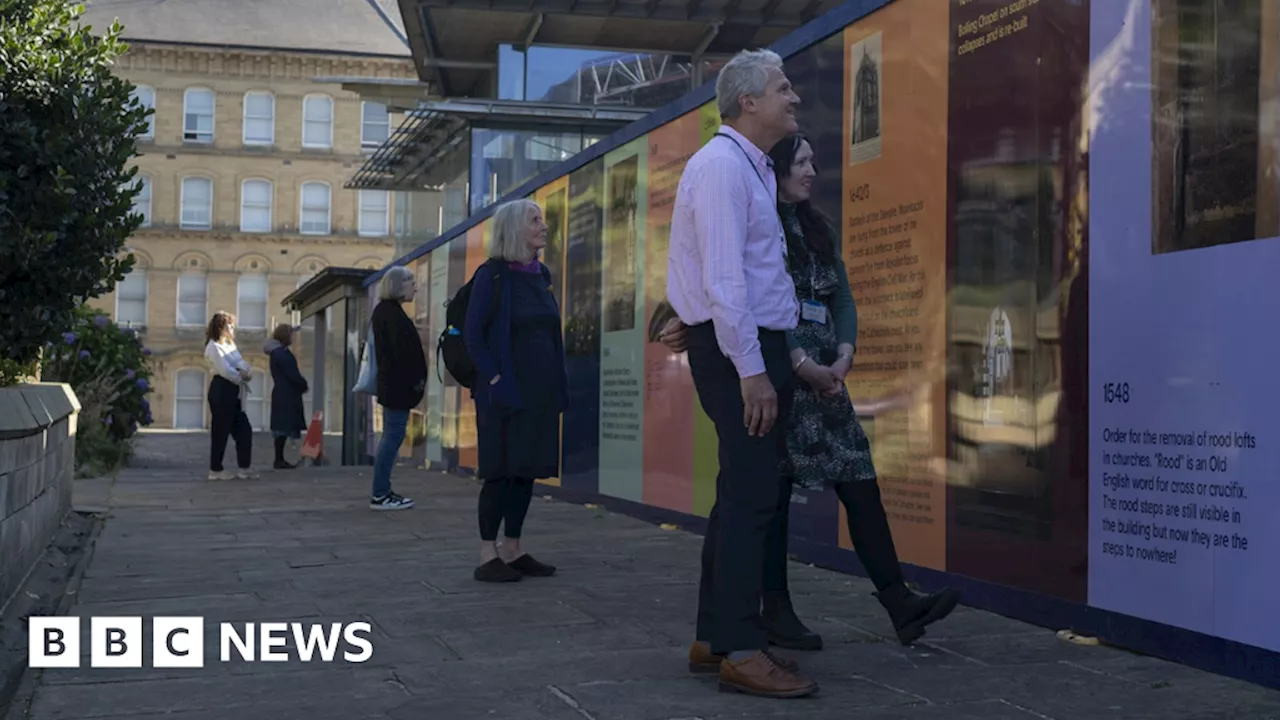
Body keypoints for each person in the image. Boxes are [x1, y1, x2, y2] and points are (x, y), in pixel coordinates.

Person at [660, 132, 960, 651]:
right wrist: (799, 363)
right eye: (802, 162)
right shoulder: (751, 214)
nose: (812, 171)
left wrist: (843, 356)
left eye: (813, 162)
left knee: (858, 479)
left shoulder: (817, 227)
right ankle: (772, 612)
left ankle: (899, 602)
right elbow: (745, 295)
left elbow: (840, 294)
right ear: (775, 169)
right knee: (766, 495)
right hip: (782, 371)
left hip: (826, 377)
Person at [665, 48, 817, 699]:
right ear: (748, 101)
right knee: (753, 499)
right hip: (742, 353)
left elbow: (720, 274)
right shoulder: (725, 168)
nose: (796, 98)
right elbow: (727, 282)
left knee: (740, 497)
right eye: (784, 89)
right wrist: (753, 371)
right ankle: (742, 648)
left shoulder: (742, 167)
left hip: (747, 347)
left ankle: (714, 637)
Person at [463, 198, 568, 583]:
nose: (544, 226)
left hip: (539, 394)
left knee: (525, 470)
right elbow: (474, 336)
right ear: (512, 230)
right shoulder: (491, 276)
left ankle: (514, 548)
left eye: (542, 220)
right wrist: (494, 379)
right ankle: (487, 552)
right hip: (504, 394)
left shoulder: (541, 275)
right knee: (500, 472)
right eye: (535, 221)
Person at [369, 265, 426, 511]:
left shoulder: (388, 311)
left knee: (392, 436)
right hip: (397, 388)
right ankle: (381, 493)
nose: (415, 287)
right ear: (398, 285)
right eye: (411, 283)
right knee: (392, 437)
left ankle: (382, 491)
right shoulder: (390, 313)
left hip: (395, 386)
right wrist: (414, 380)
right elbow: (400, 354)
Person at [204, 311, 257, 481]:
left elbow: (243, 364)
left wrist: (247, 372)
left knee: (244, 430)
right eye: (230, 325)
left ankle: (244, 468)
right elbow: (225, 371)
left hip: (235, 391)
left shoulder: (230, 345)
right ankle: (215, 470)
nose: (233, 329)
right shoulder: (213, 347)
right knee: (221, 431)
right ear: (221, 327)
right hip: (222, 390)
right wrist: (241, 375)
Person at [263, 323, 308, 470]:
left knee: (281, 427)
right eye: (292, 334)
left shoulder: (278, 352)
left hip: (284, 392)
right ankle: (279, 459)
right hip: (286, 393)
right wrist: (303, 384)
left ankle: (280, 458)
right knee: (282, 427)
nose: (294, 337)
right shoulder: (281, 353)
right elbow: (292, 374)